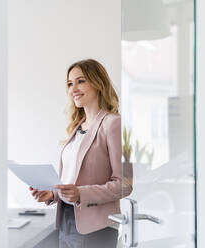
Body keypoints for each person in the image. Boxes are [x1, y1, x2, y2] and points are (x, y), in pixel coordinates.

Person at [29, 59, 133, 248]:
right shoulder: (77, 127)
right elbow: (74, 179)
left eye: (81, 81)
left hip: (96, 228)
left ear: (98, 82)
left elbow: (125, 184)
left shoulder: (113, 124)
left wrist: (81, 194)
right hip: (67, 221)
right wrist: (52, 194)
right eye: (70, 83)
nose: (73, 88)